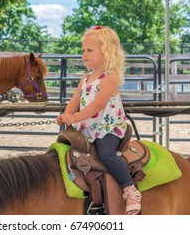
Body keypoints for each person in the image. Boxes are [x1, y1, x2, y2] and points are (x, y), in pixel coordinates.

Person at [57, 25, 141, 215]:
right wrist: (65, 115)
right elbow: (75, 99)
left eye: (89, 50)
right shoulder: (85, 78)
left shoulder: (109, 78)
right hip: (89, 127)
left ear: (106, 52)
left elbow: (97, 106)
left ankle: (129, 189)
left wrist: (74, 117)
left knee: (106, 153)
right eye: (83, 50)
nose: (84, 54)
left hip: (108, 128)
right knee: (67, 148)